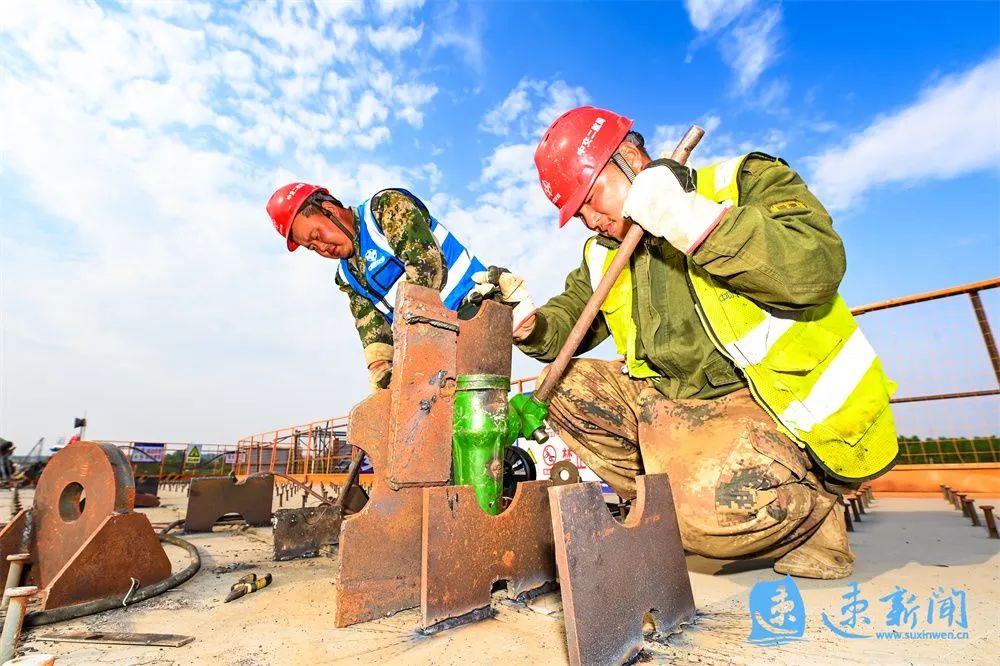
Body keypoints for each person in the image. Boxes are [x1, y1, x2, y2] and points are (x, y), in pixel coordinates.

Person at [499, 105, 898, 579]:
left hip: (759, 402)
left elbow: (815, 268)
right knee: (563, 386)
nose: (588, 220)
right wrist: (528, 324)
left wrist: (689, 219)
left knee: (708, 513)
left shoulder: (741, 182)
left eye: (590, 198)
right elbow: (568, 323)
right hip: (671, 402)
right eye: (577, 212)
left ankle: (814, 508)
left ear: (630, 159)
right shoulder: (604, 253)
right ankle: (668, 509)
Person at [266, 184, 533, 391]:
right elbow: (370, 327)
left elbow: (426, 268)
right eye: (312, 247)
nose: (322, 248)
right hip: (434, 342)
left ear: (329, 210)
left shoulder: (384, 209)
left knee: (473, 405)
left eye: (316, 235)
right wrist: (382, 372)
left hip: (473, 309)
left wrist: (411, 357)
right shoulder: (347, 276)